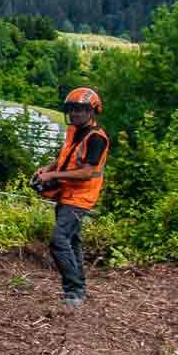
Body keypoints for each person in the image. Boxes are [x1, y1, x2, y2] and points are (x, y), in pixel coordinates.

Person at [33, 87, 110, 309]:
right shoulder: (74, 131)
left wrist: (53, 176)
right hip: (67, 194)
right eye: (72, 109)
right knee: (72, 243)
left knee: (58, 241)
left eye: (80, 109)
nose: (74, 113)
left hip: (80, 197)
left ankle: (73, 291)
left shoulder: (96, 138)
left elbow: (87, 172)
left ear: (91, 111)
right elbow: (64, 156)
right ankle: (79, 289)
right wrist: (47, 168)